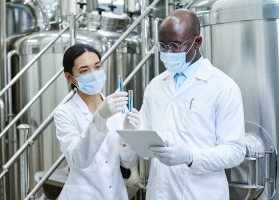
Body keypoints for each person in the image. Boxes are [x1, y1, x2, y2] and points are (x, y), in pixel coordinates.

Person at [139, 9, 246, 200]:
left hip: (200, 193)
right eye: (162, 46)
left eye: (175, 45)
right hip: (160, 192)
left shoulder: (223, 87)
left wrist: (190, 157)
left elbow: (235, 151)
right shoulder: (155, 85)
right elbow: (144, 136)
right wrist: (131, 129)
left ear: (197, 42)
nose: (167, 52)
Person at [54, 43, 140, 200]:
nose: (93, 74)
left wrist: (129, 136)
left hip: (116, 194)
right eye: (84, 71)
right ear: (69, 77)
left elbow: (127, 162)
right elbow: (79, 159)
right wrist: (100, 116)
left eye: (97, 67)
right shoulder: (64, 113)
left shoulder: (119, 107)